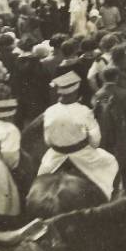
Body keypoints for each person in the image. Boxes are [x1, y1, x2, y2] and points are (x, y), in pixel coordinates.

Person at [38, 71, 119, 200]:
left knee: (40, 177)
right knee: (111, 161)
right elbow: (95, 142)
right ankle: (111, 198)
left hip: (55, 155)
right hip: (82, 155)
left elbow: (47, 141)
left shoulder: (49, 111)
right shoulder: (84, 111)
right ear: (75, 92)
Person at [93, 64, 126, 195]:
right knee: (125, 159)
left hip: (104, 133)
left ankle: (112, 188)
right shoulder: (123, 93)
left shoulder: (98, 94)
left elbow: (95, 114)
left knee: (108, 159)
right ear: (117, 77)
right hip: (121, 132)